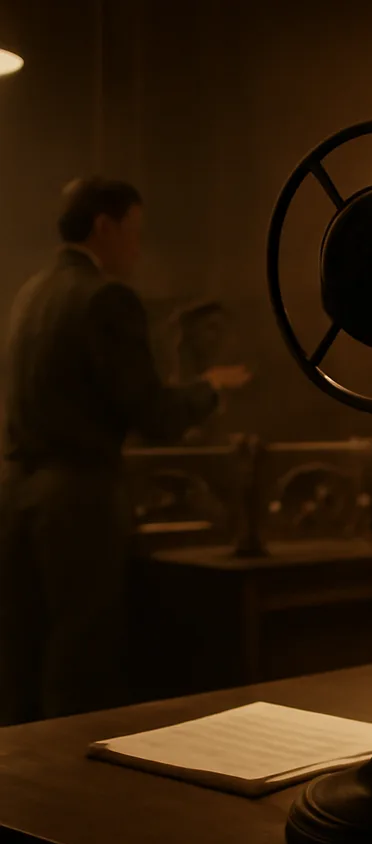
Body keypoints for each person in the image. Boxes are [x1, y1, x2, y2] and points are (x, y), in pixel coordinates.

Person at [0, 177, 251, 724]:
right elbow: (151, 412)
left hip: (15, 495)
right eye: (134, 232)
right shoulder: (106, 296)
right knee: (79, 665)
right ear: (104, 226)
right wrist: (211, 386)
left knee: (20, 662)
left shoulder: (30, 294)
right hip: (78, 502)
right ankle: (73, 803)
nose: (138, 249)